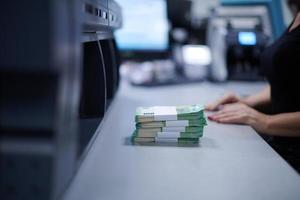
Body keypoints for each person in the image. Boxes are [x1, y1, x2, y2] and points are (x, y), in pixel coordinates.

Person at [206, 0, 300, 172]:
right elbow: (291, 82)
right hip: (281, 144)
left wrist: (264, 121)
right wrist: (247, 101)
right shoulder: (297, 16)